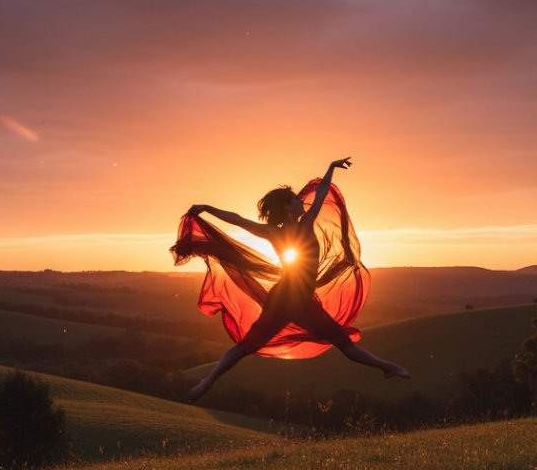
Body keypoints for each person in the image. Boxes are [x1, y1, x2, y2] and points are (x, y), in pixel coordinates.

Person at [174, 157, 410, 402]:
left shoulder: (288, 228)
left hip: (286, 297)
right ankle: (388, 367)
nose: (301, 201)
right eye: (296, 200)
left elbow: (319, 194)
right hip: (294, 298)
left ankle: (207, 382)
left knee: (246, 347)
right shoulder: (296, 227)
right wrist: (207, 208)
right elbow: (238, 219)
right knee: (342, 342)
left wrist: (330, 168)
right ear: (287, 208)